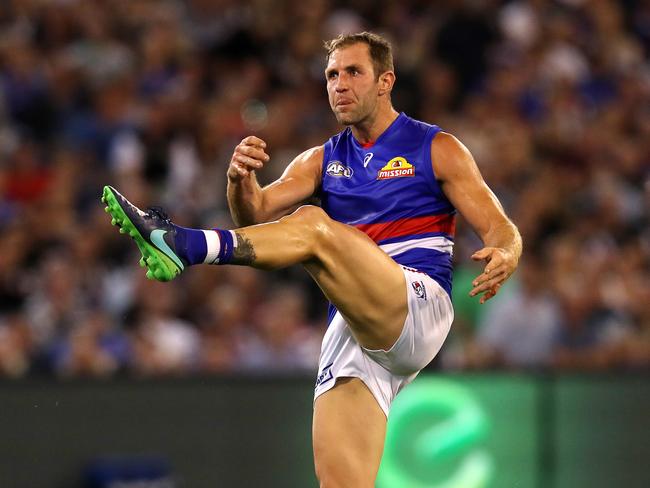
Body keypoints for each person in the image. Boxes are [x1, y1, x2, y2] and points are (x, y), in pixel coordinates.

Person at [102, 32, 521, 487]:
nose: (340, 84)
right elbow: (256, 216)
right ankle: (182, 244)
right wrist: (238, 180)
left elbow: (501, 227)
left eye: (353, 72)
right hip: (354, 328)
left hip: (417, 303)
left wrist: (506, 252)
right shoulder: (319, 160)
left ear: (386, 81)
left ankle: (182, 244)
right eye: (331, 75)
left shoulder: (436, 147)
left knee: (312, 223)